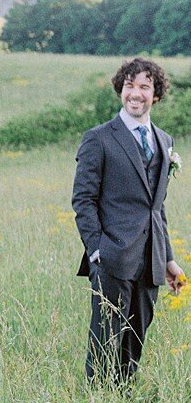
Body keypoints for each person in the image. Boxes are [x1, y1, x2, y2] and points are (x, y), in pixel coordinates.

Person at [71, 57, 183, 385]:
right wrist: (97, 251)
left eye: (144, 86)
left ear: (156, 95)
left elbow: (156, 207)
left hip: (150, 261)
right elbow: (83, 200)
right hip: (111, 259)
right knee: (105, 344)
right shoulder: (99, 138)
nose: (135, 93)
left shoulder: (164, 141)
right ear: (120, 89)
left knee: (133, 346)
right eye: (129, 85)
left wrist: (169, 259)